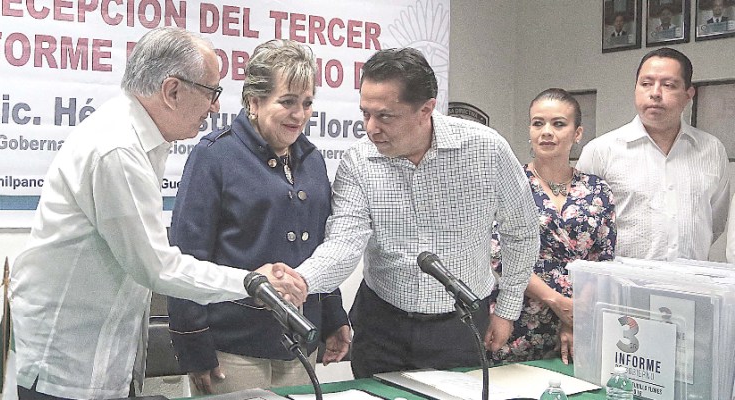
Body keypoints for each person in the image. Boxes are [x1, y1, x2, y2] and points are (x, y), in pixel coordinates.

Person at [7, 27, 306, 400]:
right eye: (212, 92)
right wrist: (250, 283)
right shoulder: (117, 148)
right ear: (172, 91)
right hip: (66, 366)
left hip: (101, 357)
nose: (216, 107)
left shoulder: (143, 138)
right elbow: (156, 267)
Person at [295, 47, 541, 378]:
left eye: (384, 116)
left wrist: (508, 309)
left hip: (460, 324)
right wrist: (300, 280)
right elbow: (344, 242)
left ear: (425, 110)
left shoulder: (486, 150)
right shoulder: (358, 161)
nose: (371, 128)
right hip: (382, 323)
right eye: (365, 113)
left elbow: (522, 232)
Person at [167, 39, 351, 395]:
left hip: (300, 341)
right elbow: (186, 257)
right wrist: (194, 346)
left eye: (307, 103)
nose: (299, 115)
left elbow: (322, 246)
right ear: (254, 101)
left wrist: (333, 317)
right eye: (287, 102)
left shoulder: (312, 160)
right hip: (232, 346)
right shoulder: (214, 155)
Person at [490, 89, 617, 365]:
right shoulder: (508, 183)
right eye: (538, 123)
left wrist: (574, 317)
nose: (547, 132)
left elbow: (603, 260)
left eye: (558, 124)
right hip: (517, 314)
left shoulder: (597, 190)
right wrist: (556, 302)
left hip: (579, 318)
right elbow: (500, 255)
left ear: (578, 133)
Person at [576, 48, 729, 262]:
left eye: (668, 85)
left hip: (690, 285)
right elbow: (582, 226)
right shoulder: (601, 152)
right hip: (622, 286)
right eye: (646, 83)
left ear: (688, 95)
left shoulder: (711, 150)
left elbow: (715, 221)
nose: (655, 93)